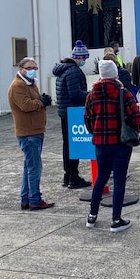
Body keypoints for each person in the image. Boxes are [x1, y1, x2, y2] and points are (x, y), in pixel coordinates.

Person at [84, 60, 140, 233]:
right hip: (120, 143)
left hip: (101, 143)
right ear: (115, 74)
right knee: (119, 179)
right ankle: (116, 219)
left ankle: (92, 216)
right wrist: (134, 129)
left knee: (101, 178)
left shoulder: (91, 94)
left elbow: (87, 119)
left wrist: (96, 131)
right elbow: (135, 116)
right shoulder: (122, 93)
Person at [7, 57, 55, 211]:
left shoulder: (30, 83)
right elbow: (26, 105)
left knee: (29, 166)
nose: (32, 70)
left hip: (35, 130)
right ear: (21, 69)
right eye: (29, 67)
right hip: (28, 132)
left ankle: (26, 198)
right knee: (34, 167)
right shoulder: (18, 85)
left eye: (34, 67)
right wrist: (41, 102)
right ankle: (34, 199)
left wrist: (41, 101)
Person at [52, 40, 92, 189]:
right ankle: (73, 177)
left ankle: (67, 175)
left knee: (67, 145)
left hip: (64, 111)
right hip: (73, 111)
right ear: (79, 57)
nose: (85, 61)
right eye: (84, 58)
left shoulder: (63, 70)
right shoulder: (73, 71)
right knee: (73, 145)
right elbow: (75, 94)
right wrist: (90, 94)